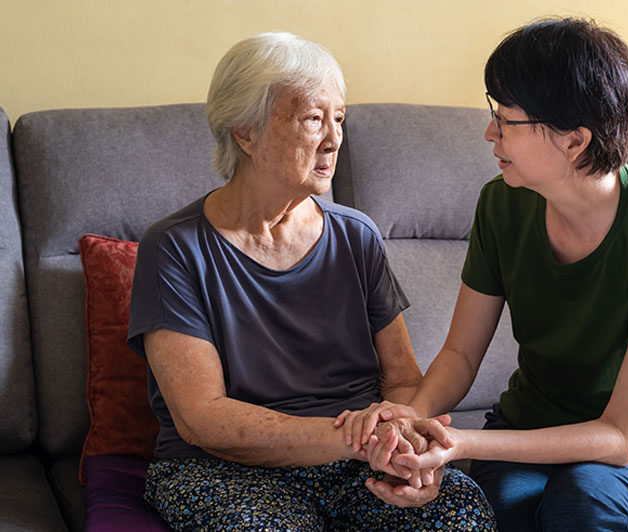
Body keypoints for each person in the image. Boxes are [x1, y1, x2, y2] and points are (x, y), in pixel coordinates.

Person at [340, 18, 628, 532]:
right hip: (533, 426)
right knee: (502, 510)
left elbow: (620, 437)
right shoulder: (502, 204)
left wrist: (460, 444)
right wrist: (414, 420)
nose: (489, 133)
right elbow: (459, 353)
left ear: (574, 140)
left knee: (585, 500)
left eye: (507, 120)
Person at [127, 31, 495, 531]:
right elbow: (202, 417)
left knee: (458, 512)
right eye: (313, 119)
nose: (335, 138)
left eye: (338, 119)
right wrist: (353, 437)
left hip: (357, 457)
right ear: (245, 132)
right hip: (223, 467)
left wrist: (407, 450)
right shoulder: (174, 248)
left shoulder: (357, 236)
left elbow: (404, 380)